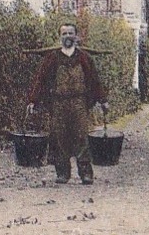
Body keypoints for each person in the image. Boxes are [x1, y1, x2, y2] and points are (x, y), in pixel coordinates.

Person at [27, 23, 108, 185]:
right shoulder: (52, 58)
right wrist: (33, 100)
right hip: (59, 103)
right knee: (59, 137)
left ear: (76, 36)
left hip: (79, 102)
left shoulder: (84, 57)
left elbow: (94, 80)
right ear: (60, 37)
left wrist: (103, 100)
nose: (67, 36)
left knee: (82, 137)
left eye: (70, 33)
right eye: (64, 34)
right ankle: (63, 173)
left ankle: (86, 173)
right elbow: (40, 80)